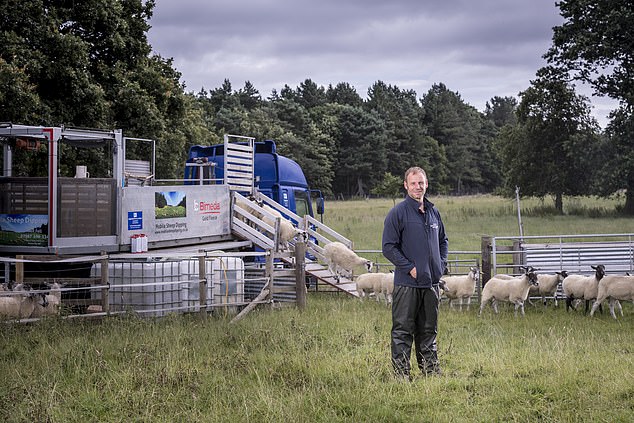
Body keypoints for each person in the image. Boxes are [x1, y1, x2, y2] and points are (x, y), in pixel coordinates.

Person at [381, 166, 448, 379]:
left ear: (426, 184)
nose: (418, 187)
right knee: (402, 331)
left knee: (429, 330)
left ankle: (430, 372)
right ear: (406, 185)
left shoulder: (433, 212)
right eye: (413, 183)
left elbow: (443, 241)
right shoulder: (398, 213)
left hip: (431, 283)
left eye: (421, 183)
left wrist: (440, 264)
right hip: (407, 284)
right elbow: (388, 247)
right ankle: (401, 375)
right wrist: (410, 268)